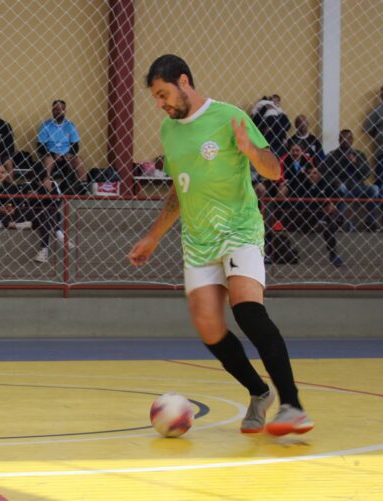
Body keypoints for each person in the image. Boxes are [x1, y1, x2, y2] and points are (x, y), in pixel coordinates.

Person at [129, 55, 313, 436]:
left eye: (164, 94)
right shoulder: (169, 131)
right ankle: (259, 392)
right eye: (156, 98)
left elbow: (274, 169)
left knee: (247, 311)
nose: (161, 103)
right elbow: (180, 191)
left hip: (239, 230)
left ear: (184, 81)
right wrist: (153, 236)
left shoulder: (229, 117)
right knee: (209, 328)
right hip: (198, 240)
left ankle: (292, 405)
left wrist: (249, 150)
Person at [283, 165, 343, 267]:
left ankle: (333, 255)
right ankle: (321, 222)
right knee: (321, 216)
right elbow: (300, 206)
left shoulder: (325, 185)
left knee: (330, 220)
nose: (311, 175)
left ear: (319, 174)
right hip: (305, 218)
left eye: (314, 173)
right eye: (309, 173)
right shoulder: (301, 186)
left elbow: (337, 197)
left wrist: (332, 204)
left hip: (322, 216)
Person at [320, 129, 380, 231]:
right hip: (341, 188)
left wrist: (356, 163)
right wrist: (337, 182)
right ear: (339, 140)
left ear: (352, 140)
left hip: (358, 188)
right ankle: (340, 221)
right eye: (342, 138)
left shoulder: (359, 154)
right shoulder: (332, 155)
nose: (345, 141)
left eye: (348, 138)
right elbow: (325, 174)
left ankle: (371, 222)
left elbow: (367, 174)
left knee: (374, 189)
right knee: (341, 188)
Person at [37, 100, 87, 186]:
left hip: (67, 157)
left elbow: (75, 145)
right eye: (56, 109)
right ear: (52, 111)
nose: (58, 111)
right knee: (48, 160)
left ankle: (83, 186)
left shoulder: (70, 125)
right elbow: (40, 146)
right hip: (51, 156)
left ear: (65, 111)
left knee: (79, 160)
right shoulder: (45, 125)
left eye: (61, 109)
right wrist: (53, 154)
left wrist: (70, 154)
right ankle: (47, 186)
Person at [26, 172, 70, 263]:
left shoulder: (53, 184)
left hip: (50, 217)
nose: (48, 180)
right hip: (36, 217)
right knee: (45, 212)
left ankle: (44, 250)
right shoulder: (31, 186)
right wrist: (37, 195)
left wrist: (50, 189)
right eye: (45, 179)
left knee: (50, 213)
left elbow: (57, 203)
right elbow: (31, 205)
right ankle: (59, 233)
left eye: (48, 178)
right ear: (38, 180)